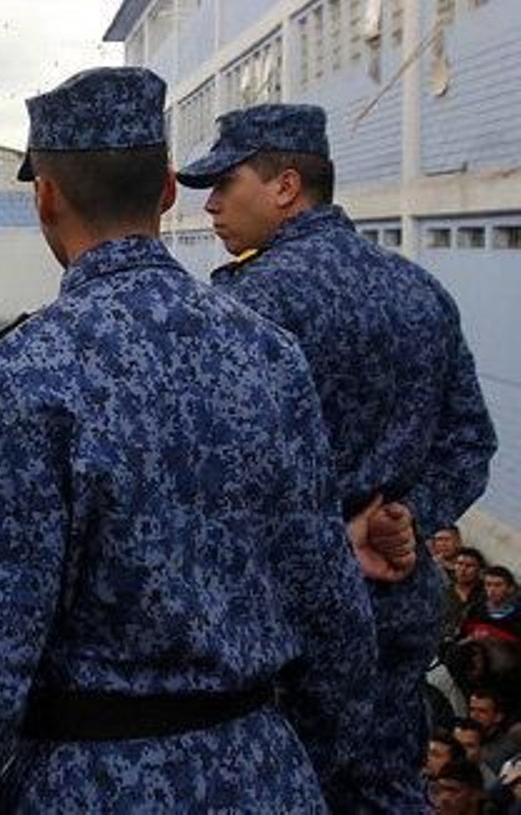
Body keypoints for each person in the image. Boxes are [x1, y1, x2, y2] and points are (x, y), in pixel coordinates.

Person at [0, 67, 376, 810]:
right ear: (169, 187)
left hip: (89, 783)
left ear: (44, 196)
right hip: (262, 770)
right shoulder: (270, 353)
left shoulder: (21, 375)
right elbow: (332, 613)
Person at [177, 102, 499, 809]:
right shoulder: (420, 292)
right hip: (395, 604)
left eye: (225, 184)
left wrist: (331, 535)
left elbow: (213, 471)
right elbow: (472, 439)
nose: (210, 205)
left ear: (285, 185)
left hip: (284, 614)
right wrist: (406, 518)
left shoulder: (247, 304)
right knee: (385, 789)